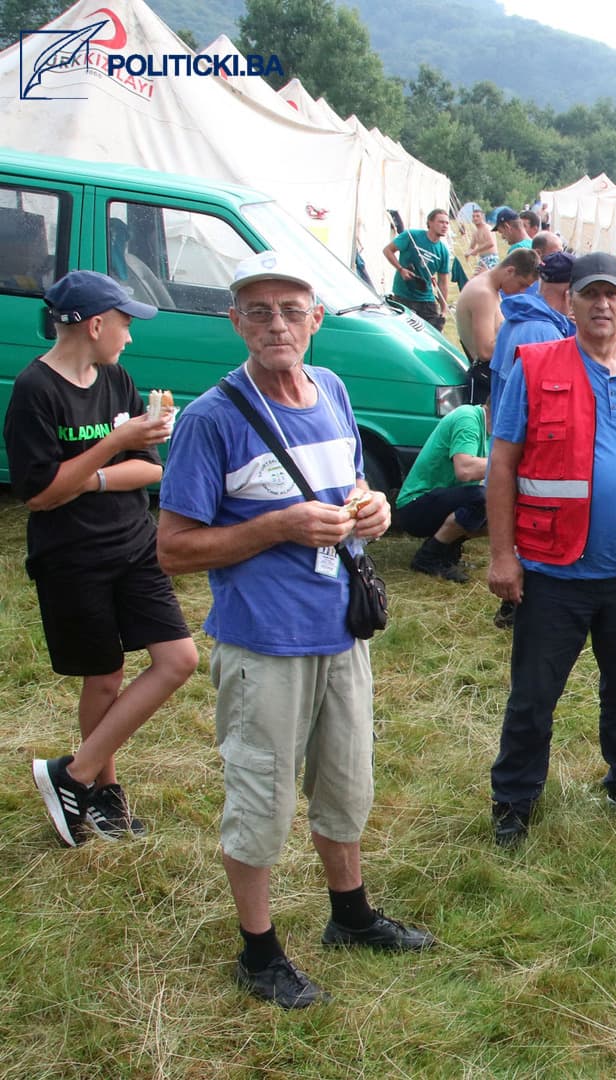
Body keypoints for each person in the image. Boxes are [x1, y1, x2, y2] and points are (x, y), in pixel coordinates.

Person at [157, 250, 435, 1010]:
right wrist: (277, 527)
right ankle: (259, 953)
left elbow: (349, 484)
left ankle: (351, 915)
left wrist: (372, 507)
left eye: (290, 310)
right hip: (263, 643)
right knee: (261, 800)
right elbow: (173, 549)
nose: (276, 325)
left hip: (341, 631)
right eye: (258, 311)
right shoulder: (212, 418)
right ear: (235, 322)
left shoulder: (333, 389)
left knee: (346, 783)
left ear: (316, 319)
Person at [486, 252, 616, 846]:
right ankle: (514, 798)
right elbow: (503, 465)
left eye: (612, 294)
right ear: (569, 302)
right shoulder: (535, 364)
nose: (602, 304)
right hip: (554, 571)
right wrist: (502, 556)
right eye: (590, 294)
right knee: (534, 695)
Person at [11, 271, 197, 846]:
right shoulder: (35, 390)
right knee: (105, 675)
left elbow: (149, 469)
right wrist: (113, 448)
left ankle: (74, 774)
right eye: (125, 323)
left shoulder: (117, 378)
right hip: (73, 558)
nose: (130, 336)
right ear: (95, 325)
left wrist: (91, 476)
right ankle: (102, 794)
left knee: (178, 659)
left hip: (134, 544)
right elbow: (41, 494)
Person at [394, 401, 490, 582]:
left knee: (506, 512)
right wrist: (508, 462)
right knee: (482, 498)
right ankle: (428, 557)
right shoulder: (468, 417)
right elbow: (465, 470)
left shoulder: (493, 433)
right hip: (414, 506)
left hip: (441, 501)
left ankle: (446, 553)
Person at [490, 251, 574, 427]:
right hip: (524, 441)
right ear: (569, 294)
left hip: (500, 436)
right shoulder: (548, 337)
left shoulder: (513, 320)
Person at [456, 248, 540, 406]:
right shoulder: (483, 294)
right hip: (484, 380)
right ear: (510, 271)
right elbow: (485, 351)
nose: (522, 291)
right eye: (522, 284)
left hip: (488, 375)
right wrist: (525, 346)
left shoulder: (489, 286)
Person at [383, 208, 452, 330]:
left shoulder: (443, 251)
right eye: (441, 222)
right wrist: (401, 269)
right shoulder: (412, 236)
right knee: (403, 332)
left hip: (426, 298)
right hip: (403, 295)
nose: (445, 226)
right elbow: (388, 250)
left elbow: (443, 282)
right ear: (430, 223)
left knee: (434, 332)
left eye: (447, 223)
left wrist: (443, 309)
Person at [467, 206, 498, 272]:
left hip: (491, 258)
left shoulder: (487, 228)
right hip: (482, 259)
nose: (475, 218)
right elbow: (471, 247)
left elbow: (490, 243)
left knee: (486, 277)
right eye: (473, 216)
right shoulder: (476, 232)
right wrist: (468, 253)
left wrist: (476, 250)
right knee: (476, 277)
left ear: (483, 217)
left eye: (478, 216)